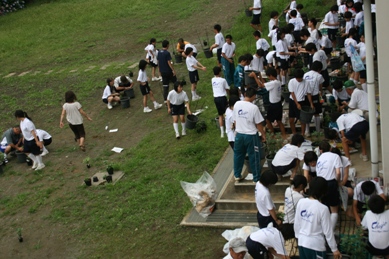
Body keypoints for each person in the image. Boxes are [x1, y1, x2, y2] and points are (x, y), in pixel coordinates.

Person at [294, 177, 341, 259]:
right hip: (315, 246)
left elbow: (297, 224)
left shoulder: (301, 202)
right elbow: (328, 231)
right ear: (324, 192)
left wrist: (299, 238)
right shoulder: (323, 208)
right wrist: (334, 249)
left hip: (302, 242)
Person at [233, 87, 266, 183]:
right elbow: (259, 124)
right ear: (253, 96)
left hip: (239, 134)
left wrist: (238, 130)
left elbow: (235, 120)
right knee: (254, 156)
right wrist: (263, 134)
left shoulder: (237, 104)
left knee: (238, 155)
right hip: (251, 136)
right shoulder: (253, 108)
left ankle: (237, 175)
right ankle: (256, 178)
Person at [251, 67, 286, 138]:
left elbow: (261, 85)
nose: (268, 78)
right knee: (279, 121)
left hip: (273, 105)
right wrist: (260, 77)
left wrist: (255, 76)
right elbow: (265, 84)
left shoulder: (273, 83)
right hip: (278, 104)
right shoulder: (278, 82)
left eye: (268, 76)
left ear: (271, 75)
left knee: (268, 120)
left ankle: (273, 134)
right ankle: (284, 135)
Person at [316, 141, 342, 231]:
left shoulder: (319, 158)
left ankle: (322, 228)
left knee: (324, 207)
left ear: (320, 150)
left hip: (319, 183)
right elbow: (338, 172)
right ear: (330, 148)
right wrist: (337, 182)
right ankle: (329, 231)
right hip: (331, 182)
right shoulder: (335, 156)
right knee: (334, 210)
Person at [288, 69, 314, 136]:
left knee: (302, 120)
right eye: (297, 78)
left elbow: (308, 93)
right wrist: (297, 104)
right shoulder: (291, 81)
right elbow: (292, 93)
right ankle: (294, 133)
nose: (299, 80)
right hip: (293, 101)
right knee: (291, 119)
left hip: (302, 101)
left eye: (300, 78)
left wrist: (311, 103)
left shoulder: (306, 82)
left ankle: (302, 134)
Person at [281, 175, 307, 240]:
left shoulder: (288, 190)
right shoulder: (300, 198)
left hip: (285, 222)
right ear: (301, 186)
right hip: (292, 225)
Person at [303, 60, 324, 136]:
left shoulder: (305, 74)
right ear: (319, 69)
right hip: (315, 95)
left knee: (307, 113)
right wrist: (321, 95)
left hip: (305, 96)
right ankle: (318, 130)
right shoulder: (319, 76)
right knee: (316, 113)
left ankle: (307, 131)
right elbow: (320, 88)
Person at [212, 66, 230, 138]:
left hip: (216, 98)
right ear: (220, 72)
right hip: (222, 98)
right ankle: (228, 129)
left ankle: (222, 132)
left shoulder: (212, 79)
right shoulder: (223, 80)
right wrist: (229, 96)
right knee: (226, 113)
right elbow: (227, 89)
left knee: (220, 115)